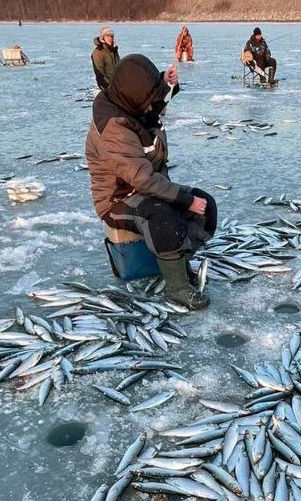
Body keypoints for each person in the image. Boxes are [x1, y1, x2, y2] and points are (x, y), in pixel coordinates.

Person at [85, 54, 217, 310]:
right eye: (147, 99)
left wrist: (166, 87)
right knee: (164, 216)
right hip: (117, 199)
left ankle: (177, 265)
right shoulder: (114, 128)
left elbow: (150, 108)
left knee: (206, 206)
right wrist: (184, 199)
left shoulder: (127, 106)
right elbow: (142, 178)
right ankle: (177, 288)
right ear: (133, 98)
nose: (151, 107)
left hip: (147, 188)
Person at [92, 26, 119, 91]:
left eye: (111, 36)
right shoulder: (98, 52)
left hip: (117, 85)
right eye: (107, 36)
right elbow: (99, 73)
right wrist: (107, 88)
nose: (110, 38)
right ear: (102, 37)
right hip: (107, 87)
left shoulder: (113, 51)